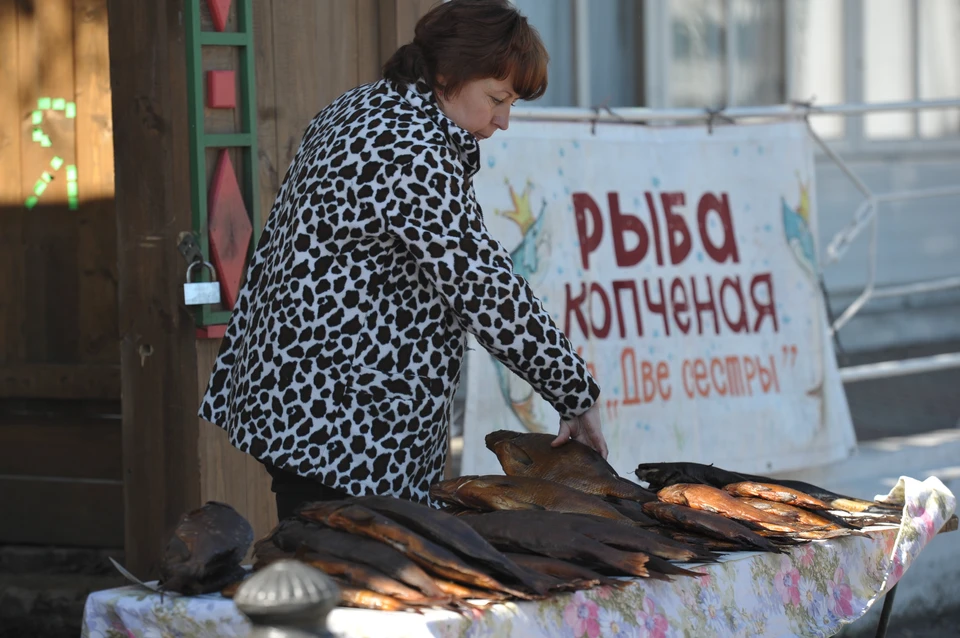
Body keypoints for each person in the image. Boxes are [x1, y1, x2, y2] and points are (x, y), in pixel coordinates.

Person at [198, 0, 607, 521]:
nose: (503, 121)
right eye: (496, 99)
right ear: (448, 74)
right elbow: (482, 285)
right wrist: (574, 391)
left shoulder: (362, 106)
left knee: (320, 559)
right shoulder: (411, 146)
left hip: (311, 404)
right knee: (344, 567)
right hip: (342, 423)